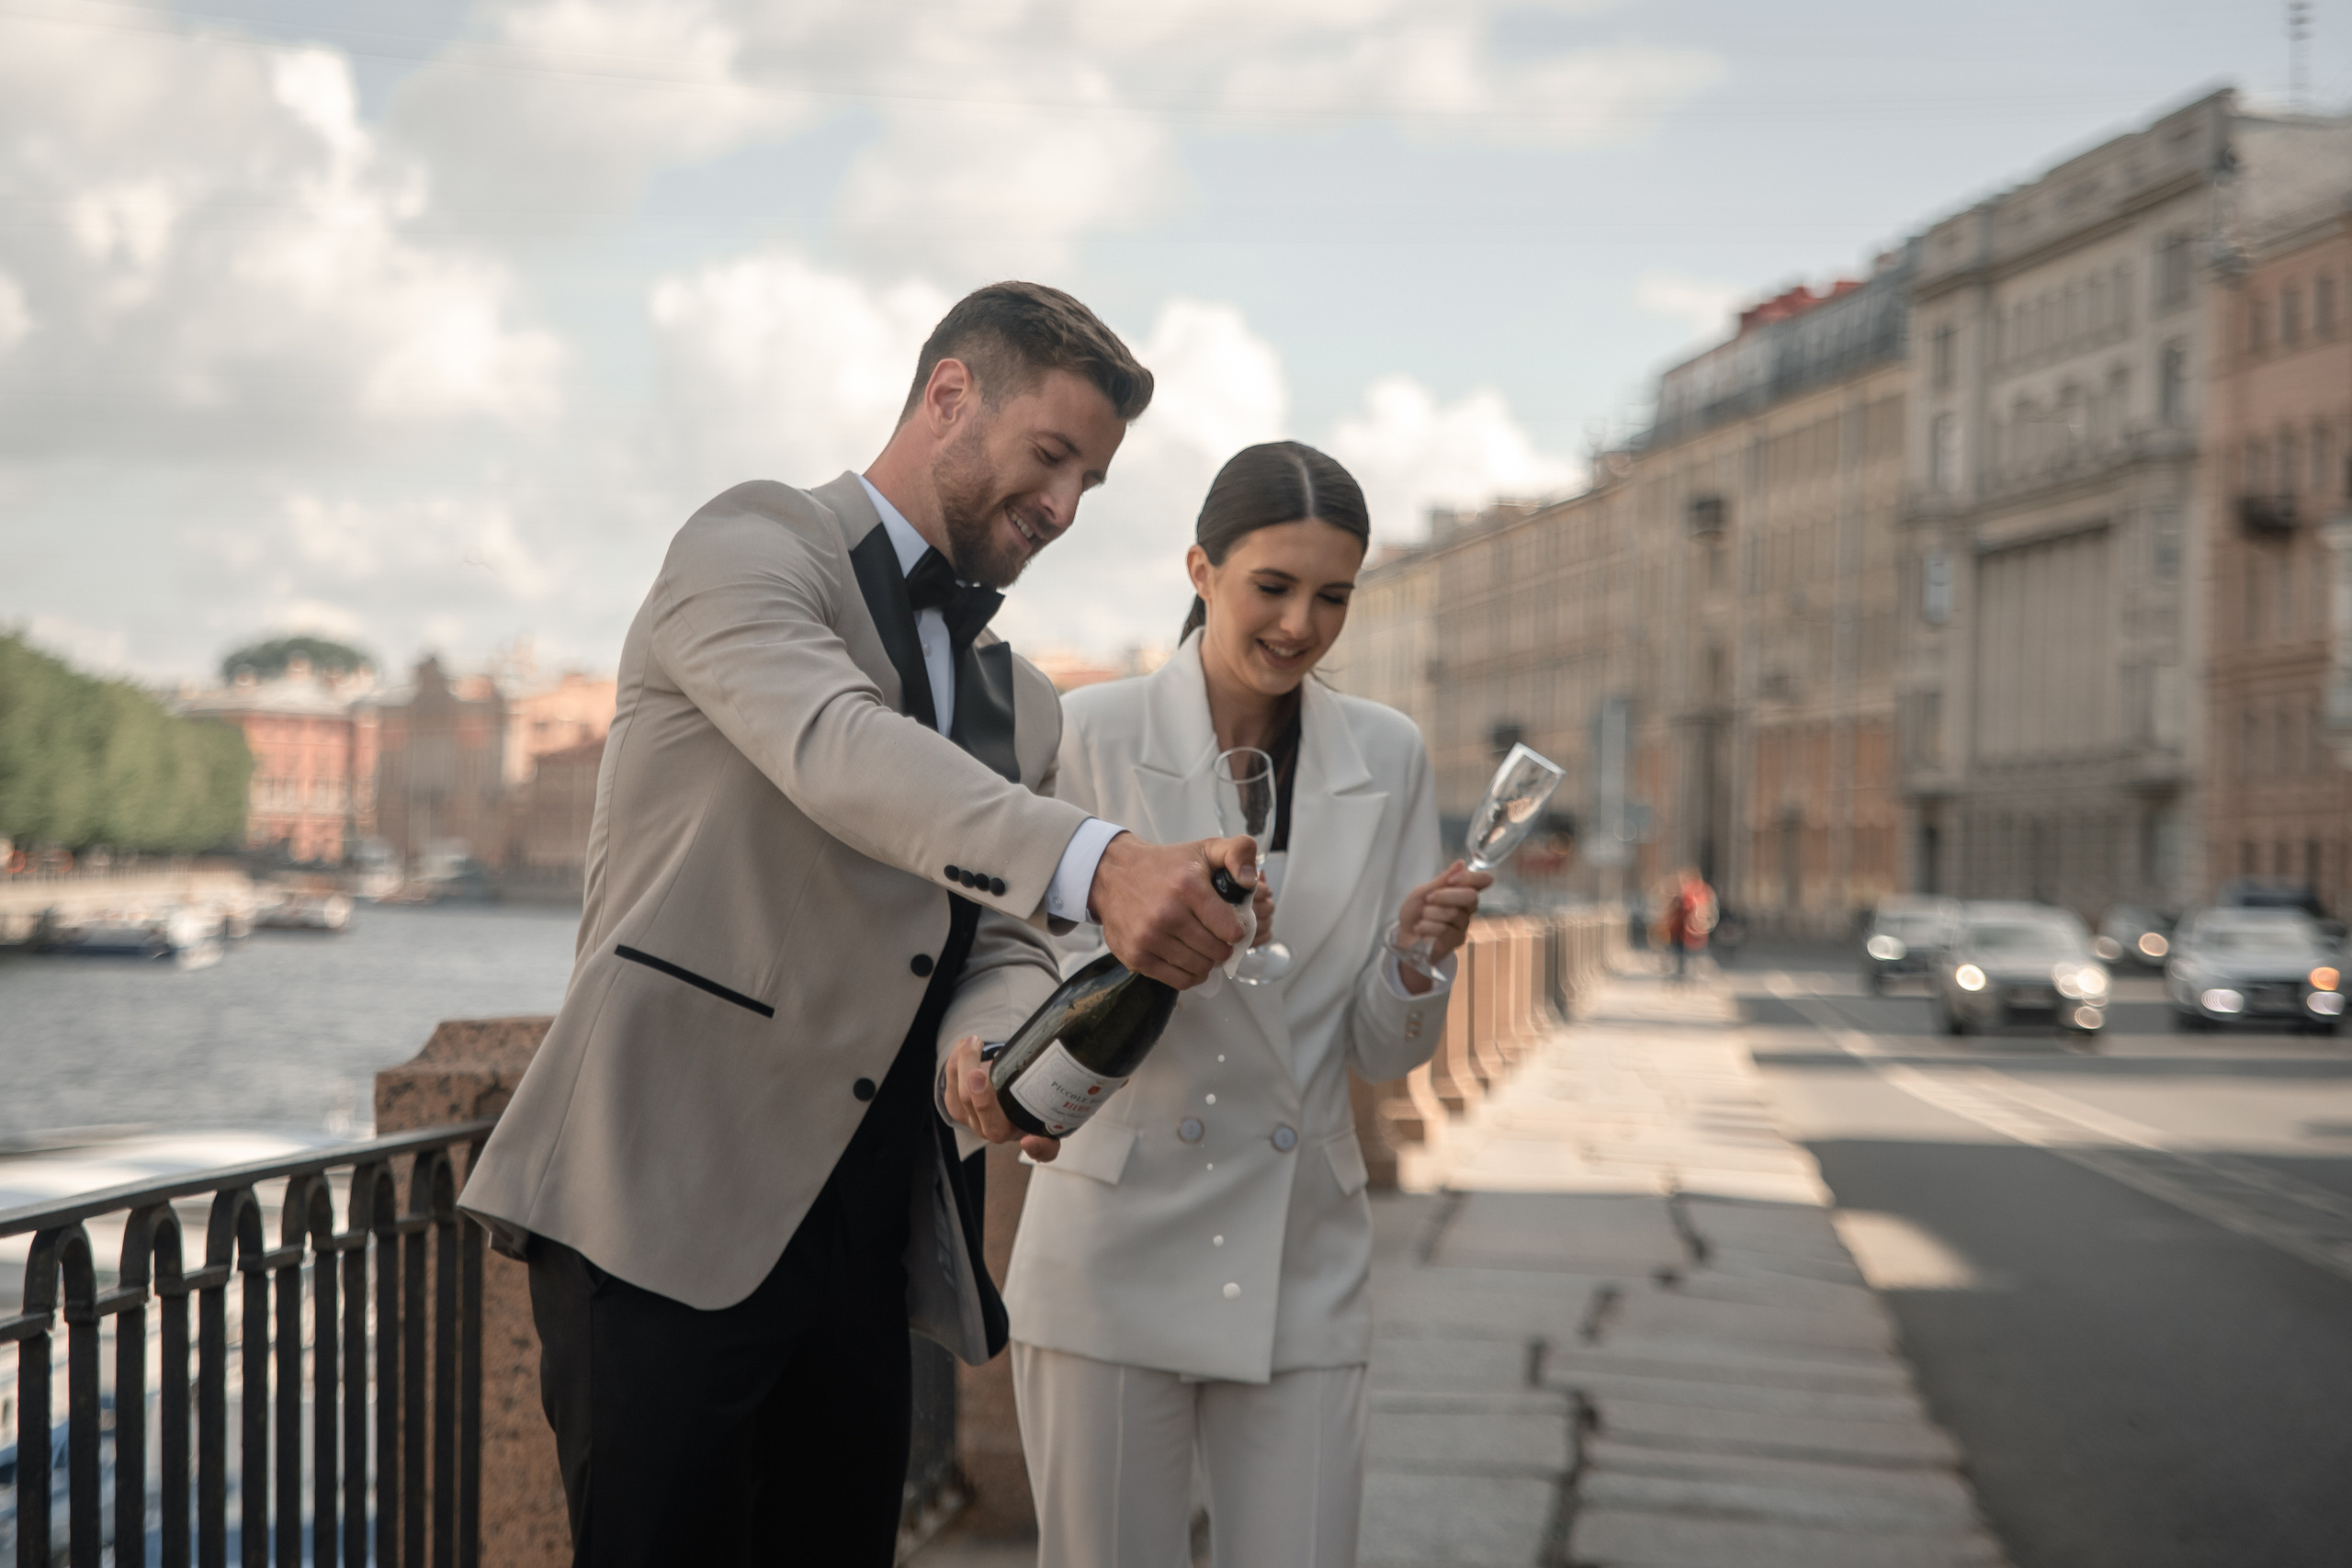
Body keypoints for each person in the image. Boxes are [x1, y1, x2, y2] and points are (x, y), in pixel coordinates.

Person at [458, 282, 1265, 1566]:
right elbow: (835, 746)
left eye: (1091, 484)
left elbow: (999, 940)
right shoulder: (748, 543)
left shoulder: (1022, 699)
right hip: (660, 1193)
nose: (1063, 508)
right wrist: (1099, 859)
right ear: (948, 394)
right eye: (1051, 458)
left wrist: (988, 1053)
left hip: (868, 1233)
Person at [1000, 441, 1488, 1567]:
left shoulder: (1388, 753)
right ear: (1200, 570)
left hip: (1301, 1256)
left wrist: (1417, 962)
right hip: (1111, 1245)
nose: (1299, 626)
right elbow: (1022, 964)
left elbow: (1378, 1049)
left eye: (1332, 597)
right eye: (1272, 587)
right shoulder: (1091, 731)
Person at [1664, 866, 1716, 981]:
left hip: (1685, 931)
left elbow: (1683, 909)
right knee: (1689, 955)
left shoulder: (1689, 894)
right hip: (1693, 931)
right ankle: (1689, 975)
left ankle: (1685, 976)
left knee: (1684, 956)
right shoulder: (1704, 891)